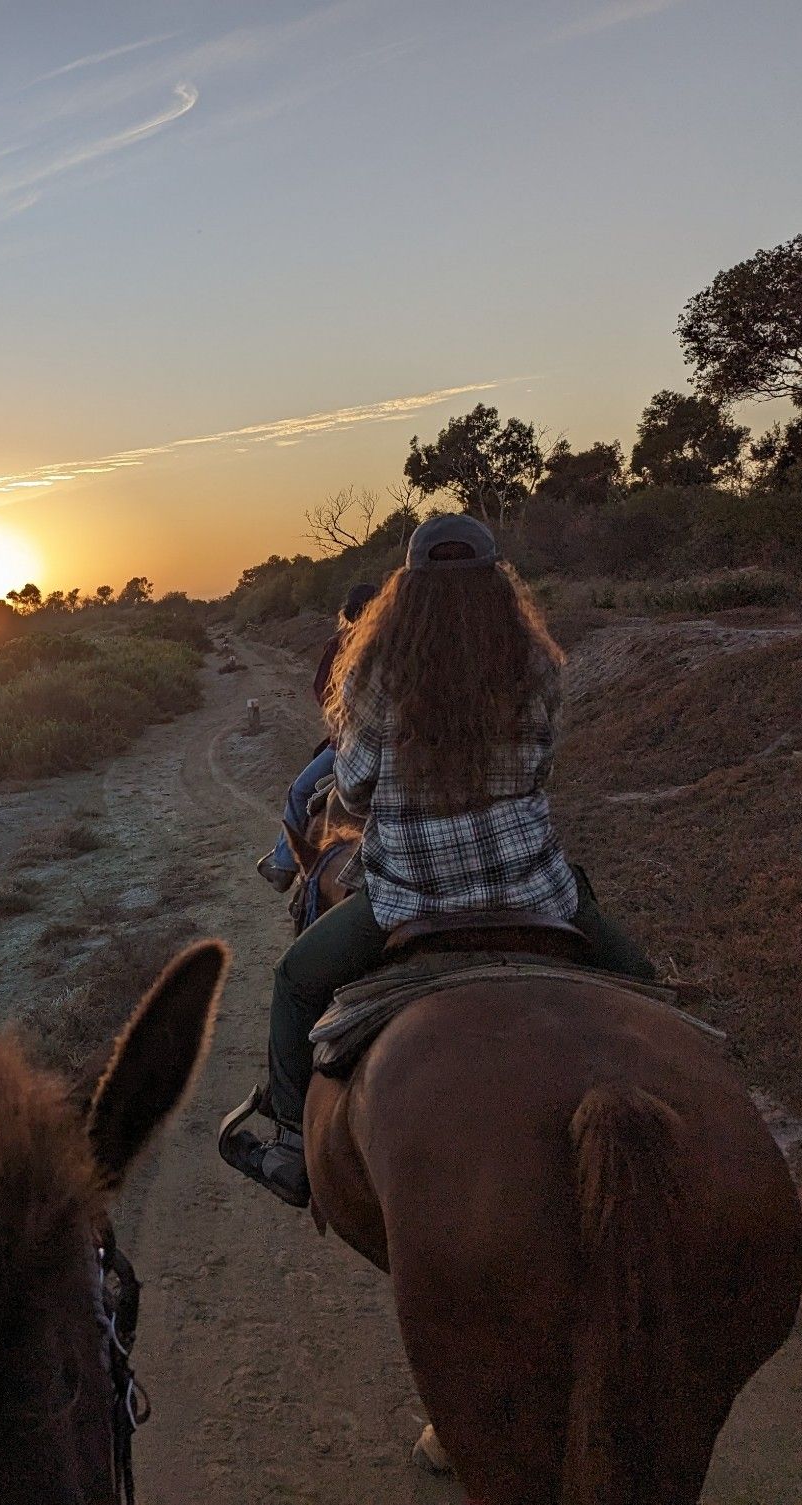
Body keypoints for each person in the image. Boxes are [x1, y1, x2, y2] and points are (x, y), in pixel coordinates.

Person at [222, 514, 655, 1207]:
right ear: (496, 585)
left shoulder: (377, 669)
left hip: (410, 897)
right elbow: (542, 766)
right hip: (535, 890)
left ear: (409, 588)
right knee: (641, 981)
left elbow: (356, 787)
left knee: (297, 977)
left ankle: (287, 1145)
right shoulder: (537, 663)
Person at [255, 582, 380, 893]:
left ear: (348, 614)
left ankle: (284, 864)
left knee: (299, 792)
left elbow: (322, 691)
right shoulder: (401, 646)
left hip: (350, 746)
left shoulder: (341, 645)